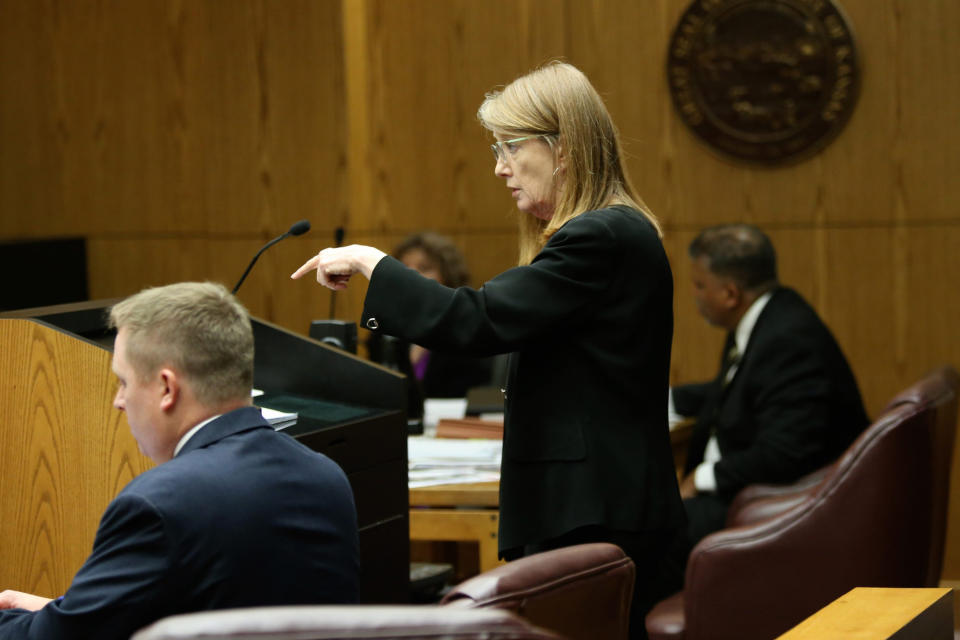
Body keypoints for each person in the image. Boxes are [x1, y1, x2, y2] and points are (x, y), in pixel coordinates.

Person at [292, 61, 684, 639]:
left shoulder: (599, 236)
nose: (499, 167)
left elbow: (477, 320)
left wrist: (372, 263)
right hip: (595, 502)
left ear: (564, 148)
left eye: (509, 146)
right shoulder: (612, 233)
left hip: (595, 509)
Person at [0, 282, 360, 639]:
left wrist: (52, 620)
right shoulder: (325, 474)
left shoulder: (158, 503)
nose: (119, 401)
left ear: (167, 389)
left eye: (123, 382)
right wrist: (69, 608)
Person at [671, 224, 869, 557]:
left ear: (730, 294)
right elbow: (743, 388)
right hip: (753, 493)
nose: (695, 294)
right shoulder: (772, 314)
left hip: (774, 506)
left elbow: (785, 453)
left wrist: (702, 477)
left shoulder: (788, 341)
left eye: (700, 285)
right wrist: (671, 399)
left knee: (642, 539)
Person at [367, 231, 493, 399]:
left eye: (424, 268)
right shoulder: (383, 328)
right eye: (404, 268)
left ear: (448, 276)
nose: (410, 276)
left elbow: (473, 392)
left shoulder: (465, 327)